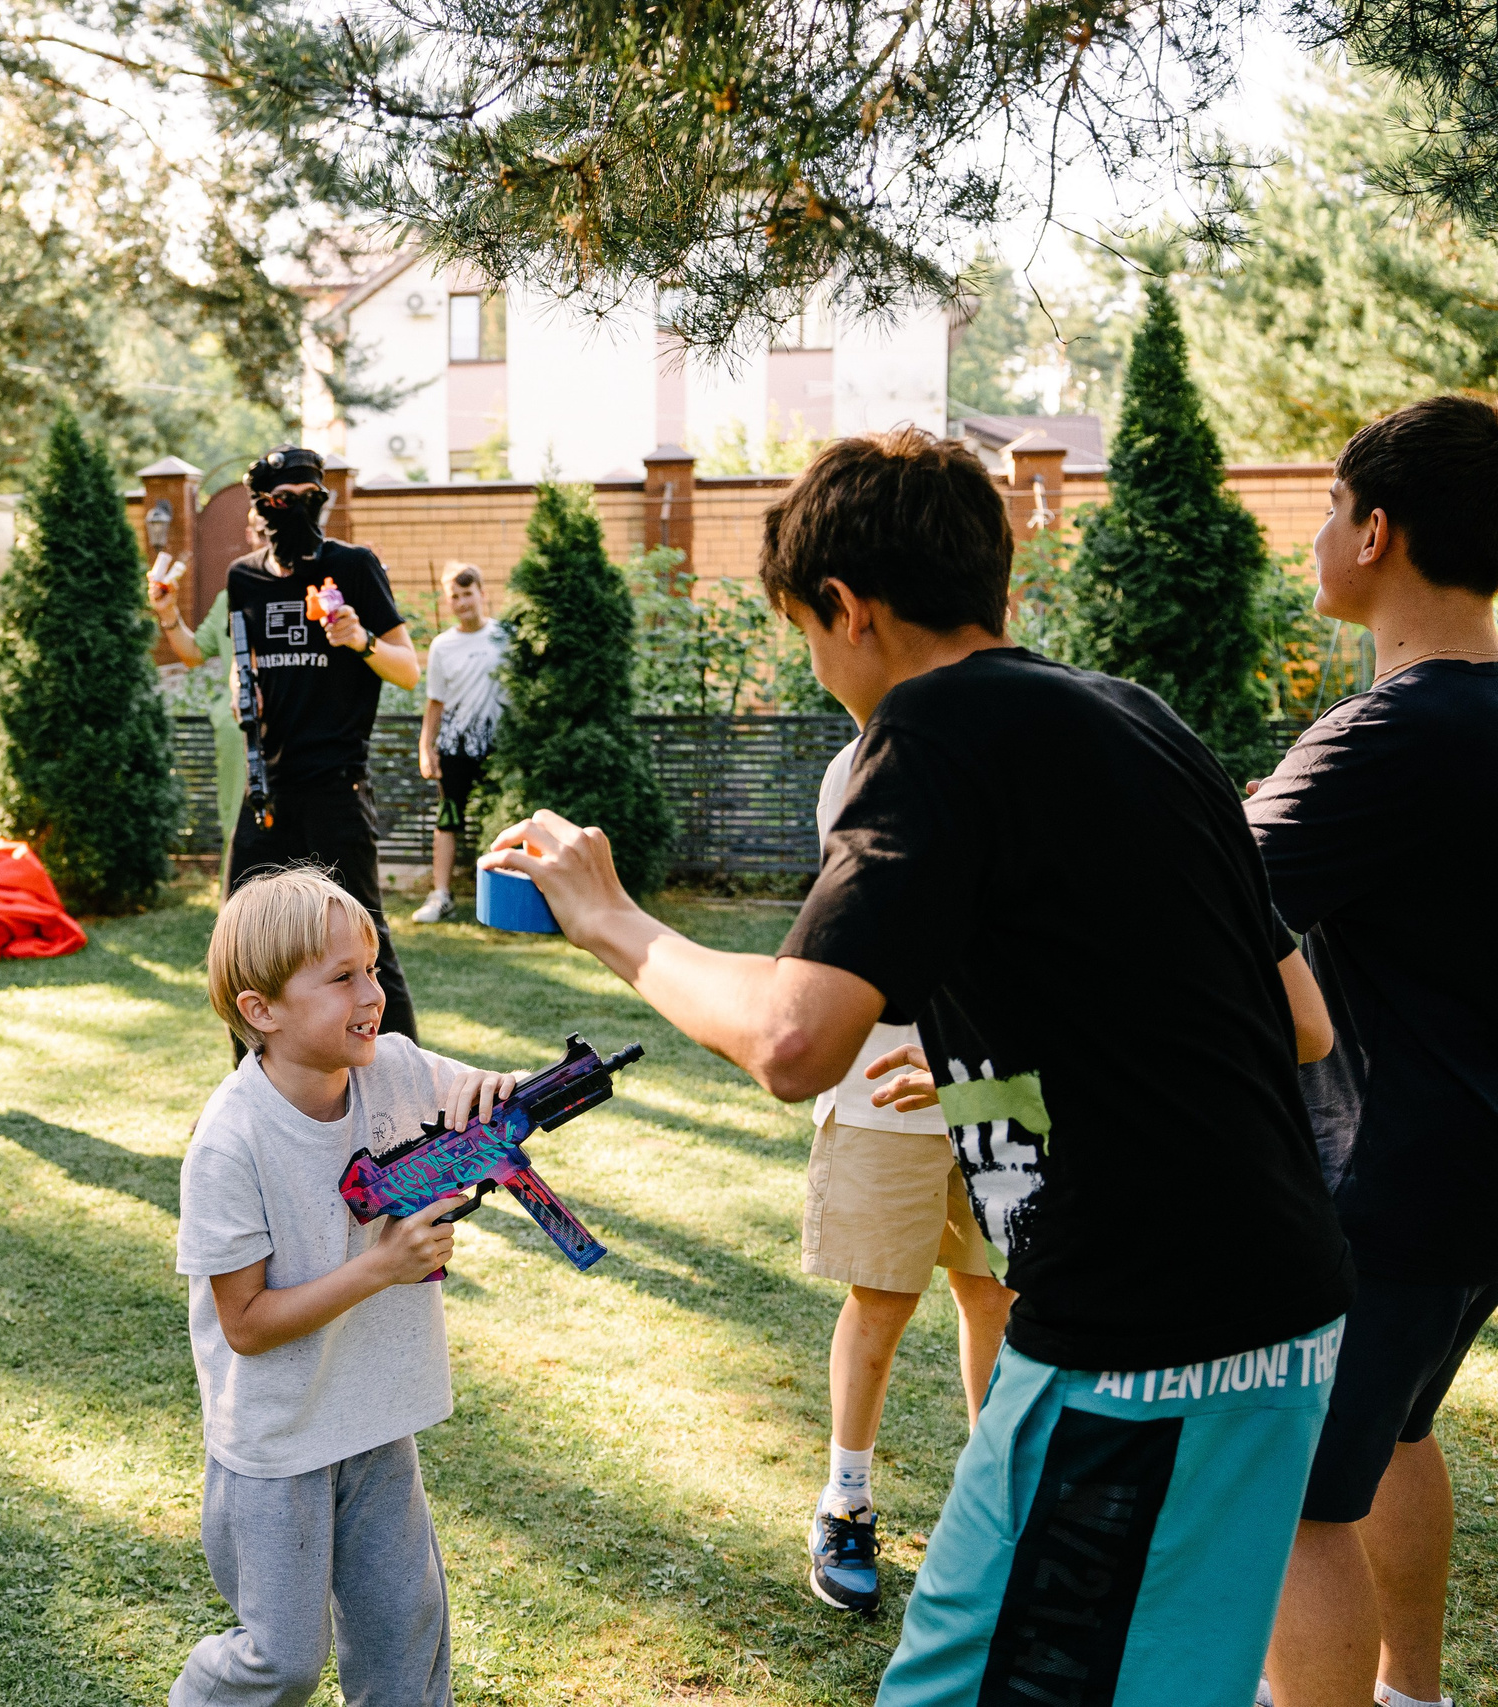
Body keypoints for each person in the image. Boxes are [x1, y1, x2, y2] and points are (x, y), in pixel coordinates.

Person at [483, 429, 1351, 1705]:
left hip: (1135, 1339)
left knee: (957, 1686)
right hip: (1289, 1314)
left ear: (846, 606)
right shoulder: (1140, 719)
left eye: (804, 630)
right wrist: (1001, 1066)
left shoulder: (929, 728)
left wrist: (612, 919)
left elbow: (792, 1042)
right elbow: (1295, 1020)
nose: (817, 664)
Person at [1246, 396, 1498, 1707]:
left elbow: (1204, 904)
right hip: (1474, 1183)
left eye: (1330, 510)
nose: (1317, 535)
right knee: (1397, 1433)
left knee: (1295, 1500)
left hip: (1385, 1181)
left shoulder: (1384, 734)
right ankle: (1414, 1694)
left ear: (1378, 530)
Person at [174, 866, 516, 1707]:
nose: (372, 993)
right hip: (277, 1443)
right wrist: (380, 1266)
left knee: (404, 1644)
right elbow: (246, 1323)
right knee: (282, 1661)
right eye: (341, 977)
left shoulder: (392, 1065)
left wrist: (495, 1092)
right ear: (262, 1009)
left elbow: (482, 1100)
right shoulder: (230, 1141)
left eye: (372, 967)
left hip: (374, 1417)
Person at [796, 734, 1013, 1615]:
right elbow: (869, 919)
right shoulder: (865, 761)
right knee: (882, 1298)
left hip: (1002, 1083)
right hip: (884, 1084)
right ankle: (844, 1501)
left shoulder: (1019, 740)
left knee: (996, 1293)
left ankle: (995, 1506)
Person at [151, 445, 423, 1043]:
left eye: (310, 496)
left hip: (336, 788)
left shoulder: (352, 566)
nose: (299, 508)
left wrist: (360, 640)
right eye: (283, 498)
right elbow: (238, 659)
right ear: (261, 507)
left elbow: (408, 669)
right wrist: (233, 682)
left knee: (366, 948)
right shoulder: (243, 577)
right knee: (243, 948)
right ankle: (253, 1086)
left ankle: (403, 1084)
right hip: (266, 793)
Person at [412, 563, 507, 924]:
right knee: (448, 818)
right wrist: (426, 747)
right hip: (455, 750)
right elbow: (435, 702)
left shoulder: (505, 637)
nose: (462, 602)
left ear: (483, 594)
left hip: (499, 749)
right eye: (455, 596)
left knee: (502, 819)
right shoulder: (442, 646)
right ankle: (441, 896)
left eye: (468, 594)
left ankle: (502, 897)